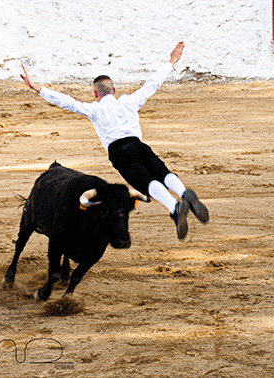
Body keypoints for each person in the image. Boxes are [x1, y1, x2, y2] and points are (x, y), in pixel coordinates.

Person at [20, 42, 209, 240]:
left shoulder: (95, 109)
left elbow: (67, 102)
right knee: (163, 172)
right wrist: (171, 61)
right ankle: (184, 192)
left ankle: (174, 208)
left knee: (147, 182)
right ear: (114, 90)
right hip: (139, 145)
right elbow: (152, 84)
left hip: (119, 151)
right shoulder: (129, 101)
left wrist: (36, 88)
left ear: (95, 94)